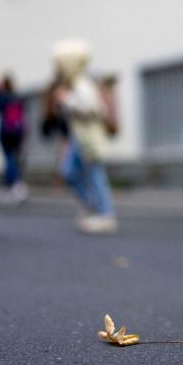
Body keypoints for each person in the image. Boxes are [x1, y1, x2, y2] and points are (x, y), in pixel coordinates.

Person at [52, 38, 118, 234]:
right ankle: (93, 206)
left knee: (95, 175)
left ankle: (105, 214)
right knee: (69, 172)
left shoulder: (82, 85)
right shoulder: (74, 84)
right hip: (78, 138)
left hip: (89, 139)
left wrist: (67, 101)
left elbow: (94, 108)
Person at [0, 74, 28, 205]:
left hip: (6, 132)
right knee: (14, 158)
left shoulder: (2, 98)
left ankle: (15, 185)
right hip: (17, 132)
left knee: (9, 159)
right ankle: (9, 185)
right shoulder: (17, 97)